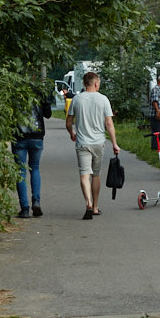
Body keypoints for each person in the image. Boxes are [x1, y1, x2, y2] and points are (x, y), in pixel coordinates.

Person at [65, 71, 120, 220]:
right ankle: (95, 207)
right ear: (96, 83)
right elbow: (109, 123)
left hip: (82, 143)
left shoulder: (76, 99)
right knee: (96, 174)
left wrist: (71, 133)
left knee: (84, 175)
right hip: (98, 143)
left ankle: (88, 203)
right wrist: (114, 143)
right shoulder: (103, 99)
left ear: (84, 84)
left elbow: (68, 122)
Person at [12, 86, 54, 218]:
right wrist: (46, 101)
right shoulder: (39, 92)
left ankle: (24, 208)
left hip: (19, 136)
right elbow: (48, 114)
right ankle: (36, 201)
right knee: (35, 168)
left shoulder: (14, 91)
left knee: (20, 171)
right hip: (36, 136)